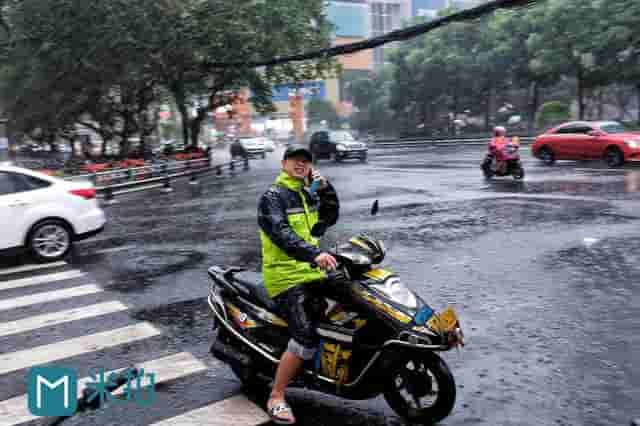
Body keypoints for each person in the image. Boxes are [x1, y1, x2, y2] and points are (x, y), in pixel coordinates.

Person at [257, 145, 339, 424]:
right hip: (285, 276)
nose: (301, 164)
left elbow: (328, 218)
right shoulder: (273, 197)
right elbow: (281, 233)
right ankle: (276, 395)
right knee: (305, 335)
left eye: (305, 161)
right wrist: (314, 254)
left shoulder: (306, 194)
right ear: (284, 164)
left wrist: (325, 189)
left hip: (311, 270)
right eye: (295, 160)